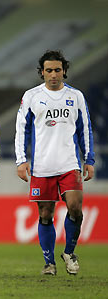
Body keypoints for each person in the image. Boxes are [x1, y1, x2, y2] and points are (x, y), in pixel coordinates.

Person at [15, 50, 95, 276]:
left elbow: (85, 129)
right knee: (45, 214)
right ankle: (49, 262)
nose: (53, 74)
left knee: (75, 209)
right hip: (42, 165)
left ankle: (69, 252)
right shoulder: (31, 96)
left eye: (57, 70)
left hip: (70, 164)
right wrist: (22, 160)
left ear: (64, 71)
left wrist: (88, 158)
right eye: (48, 70)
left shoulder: (76, 96)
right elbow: (22, 129)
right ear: (42, 72)